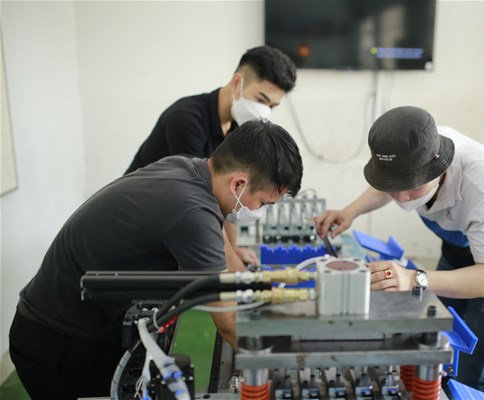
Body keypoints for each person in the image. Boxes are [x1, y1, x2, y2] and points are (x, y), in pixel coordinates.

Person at [9, 119, 303, 400]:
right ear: (238, 185)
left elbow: (224, 253)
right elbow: (226, 322)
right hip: (57, 340)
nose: (259, 211)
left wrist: (251, 288)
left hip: (81, 322)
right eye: (262, 203)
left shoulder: (190, 168)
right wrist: (282, 373)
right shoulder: (193, 213)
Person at [314, 106, 484, 396]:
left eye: (412, 186)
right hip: (459, 243)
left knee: (473, 370)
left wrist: (414, 278)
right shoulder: (412, 147)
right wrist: (350, 212)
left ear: (438, 168)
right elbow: (391, 180)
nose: (402, 197)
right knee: (432, 342)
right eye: (394, 186)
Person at [125, 45, 297, 269]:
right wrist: (238, 272)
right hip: (139, 227)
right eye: (261, 100)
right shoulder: (185, 119)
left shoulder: (239, 127)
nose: (265, 112)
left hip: (174, 220)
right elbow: (202, 199)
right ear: (237, 82)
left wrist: (235, 249)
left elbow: (230, 197)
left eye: (272, 106)